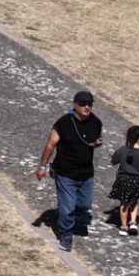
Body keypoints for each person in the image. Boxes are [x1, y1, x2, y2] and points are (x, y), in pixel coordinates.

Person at [36, 89, 104, 251]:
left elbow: (94, 141)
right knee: (67, 208)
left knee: (84, 204)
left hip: (86, 173)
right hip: (65, 173)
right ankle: (65, 234)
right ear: (75, 105)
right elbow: (50, 144)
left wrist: (96, 144)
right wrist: (42, 166)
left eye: (89, 104)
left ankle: (64, 214)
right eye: (83, 104)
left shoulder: (96, 123)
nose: (86, 107)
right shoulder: (63, 123)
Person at [109, 125, 139, 235]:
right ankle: (133, 222)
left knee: (124, 204)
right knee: (134, 201)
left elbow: (113, 161)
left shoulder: (122, 150)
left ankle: (124, 226)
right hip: (137, 181)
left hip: (123, 179)